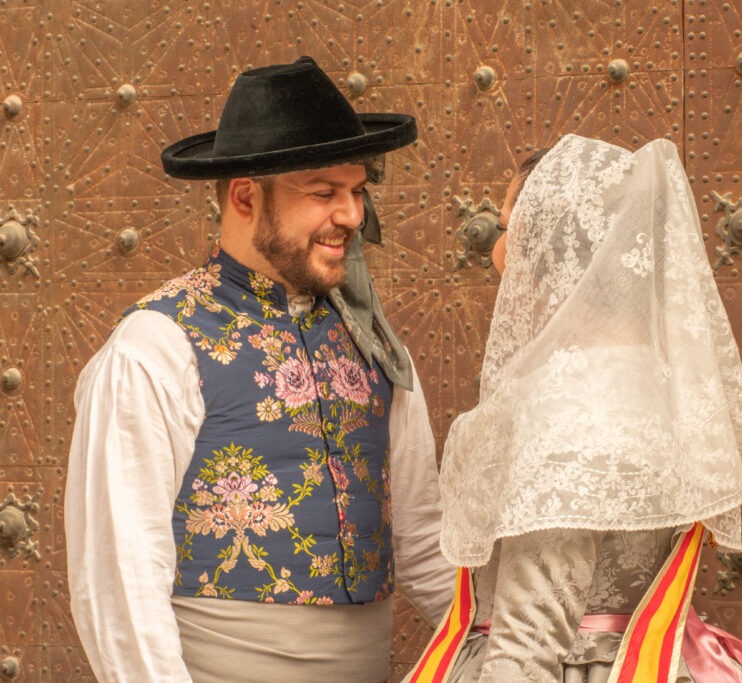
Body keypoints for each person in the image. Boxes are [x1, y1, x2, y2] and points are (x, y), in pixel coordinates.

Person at [65, 56, 453, 683]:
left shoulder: (376, 346)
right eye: (324, 192)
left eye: (357, 191)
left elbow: (426, 545)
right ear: (245, 195)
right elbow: (121, 575)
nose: (352, 215)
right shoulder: (156, 346)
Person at [407, 135, 742, 682]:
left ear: (549, 251)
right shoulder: (661, 382)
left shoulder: (572, 403)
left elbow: (531, 640)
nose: (498, 250)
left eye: (508, 226)